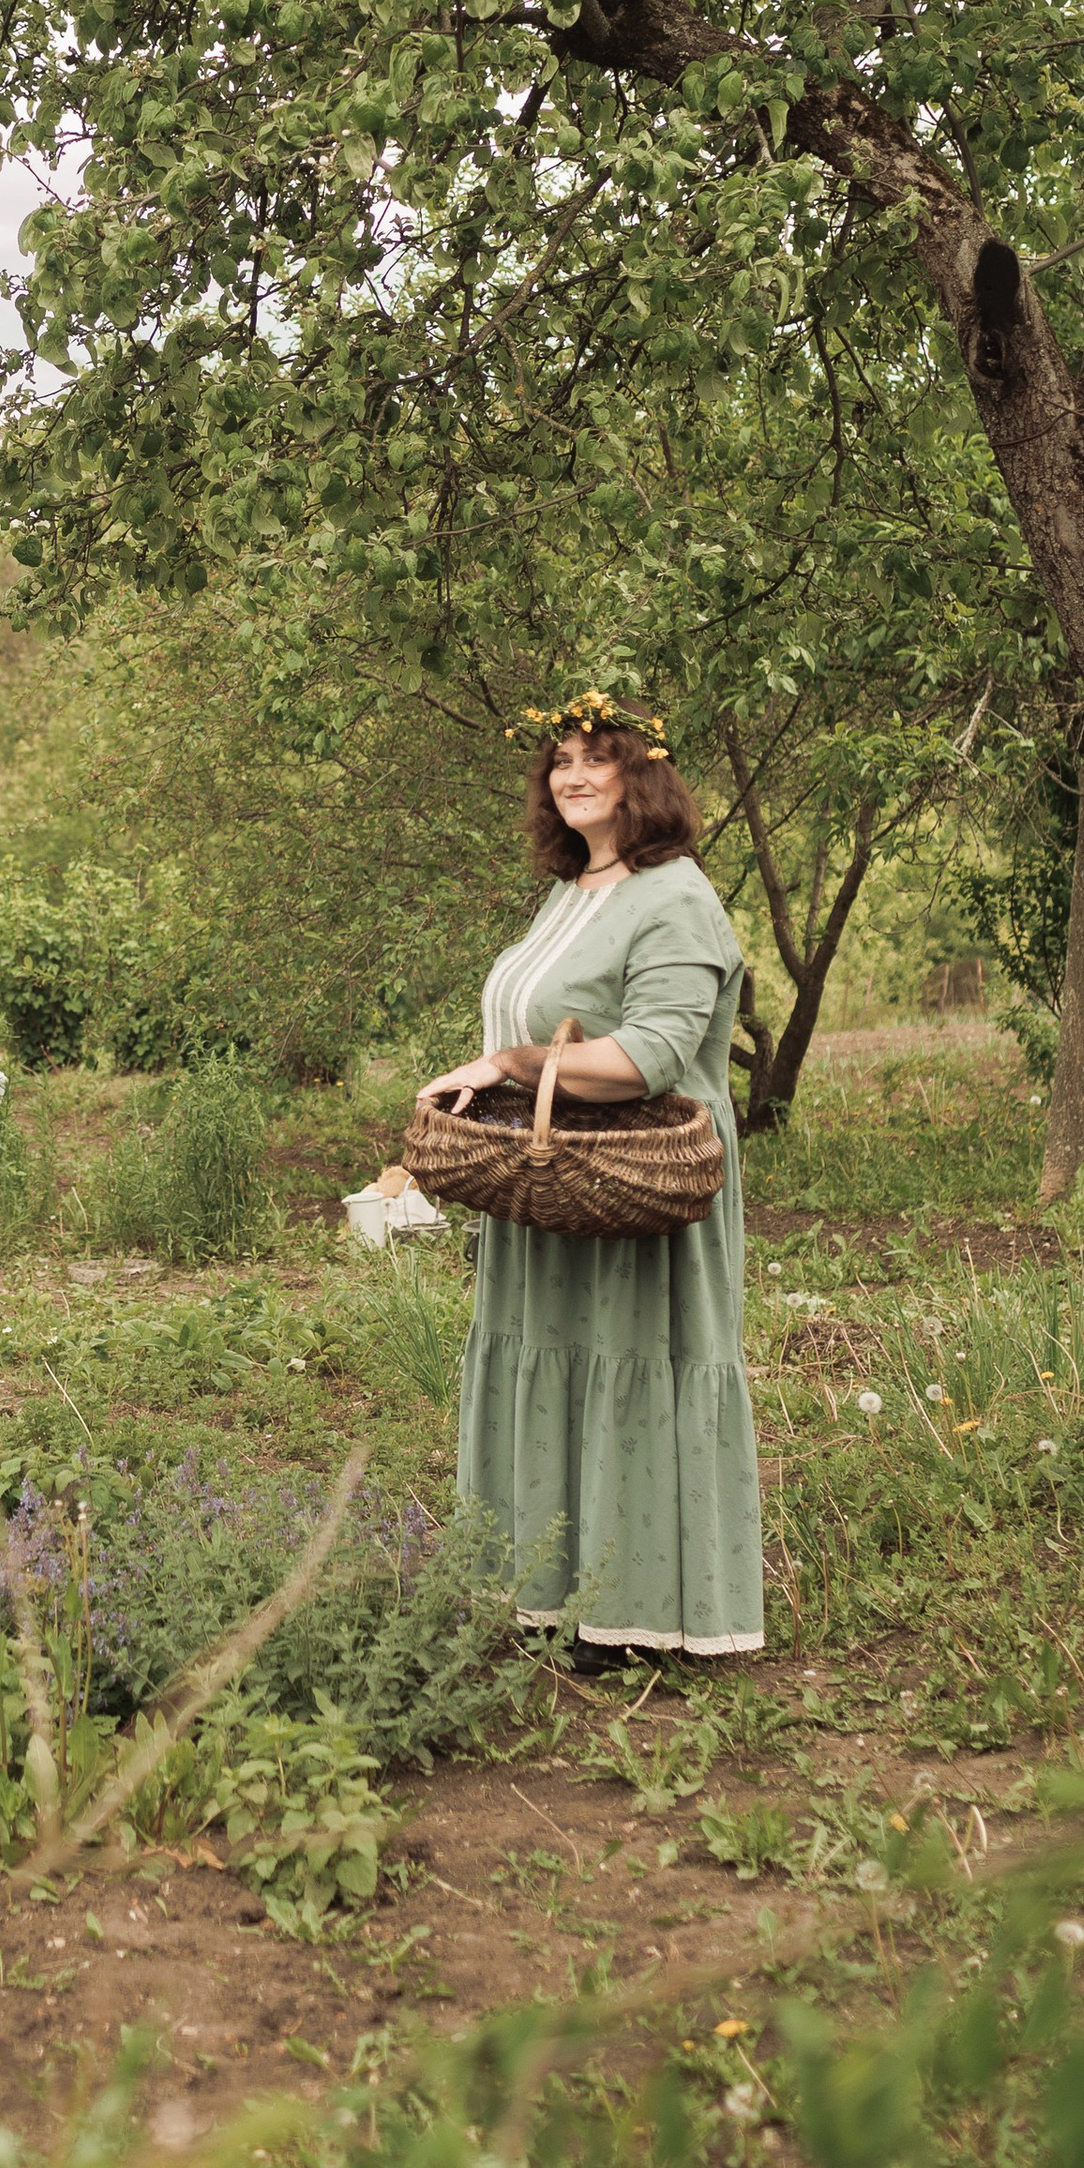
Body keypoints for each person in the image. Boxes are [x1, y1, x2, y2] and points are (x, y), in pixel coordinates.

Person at [418, 690, 763, 1666]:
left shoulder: (677, 896)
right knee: (546, 1361)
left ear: (638, 777)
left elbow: (652, 1055)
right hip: (552, 1178)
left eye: (593, 757)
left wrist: (511, 1068)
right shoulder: (573, 890)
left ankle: (640, 1617)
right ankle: (544, 1595)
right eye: (557, 759)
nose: (570, 773)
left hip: (637, 1184)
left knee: (627, 1366)